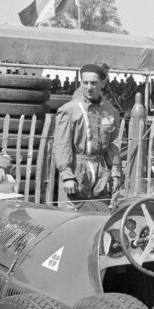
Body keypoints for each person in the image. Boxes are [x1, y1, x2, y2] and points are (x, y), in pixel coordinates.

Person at [53, 63, 121, 210]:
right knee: (71, 219)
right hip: (77, 171)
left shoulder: (111, 112)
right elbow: (62, 145)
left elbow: (112, 144)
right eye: (85, 83)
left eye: (94, 83)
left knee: (100, 216)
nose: (89, 87)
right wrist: (67, 176)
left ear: (103, 83)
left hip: (101, 173)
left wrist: (115, 173)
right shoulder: (69, 110)